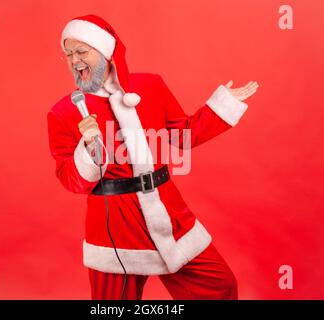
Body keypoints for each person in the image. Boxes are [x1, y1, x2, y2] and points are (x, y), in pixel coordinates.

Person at [47, 14, 259, 300]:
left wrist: (222, 106)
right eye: (69, 54)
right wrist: (87, 148)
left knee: (219, 286)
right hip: (115, 226)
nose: (75, 61)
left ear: (106, 51)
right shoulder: (63, 113)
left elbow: (181, 136)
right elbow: (70, 181)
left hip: (168, 214)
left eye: (81, 52)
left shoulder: (151, 87)